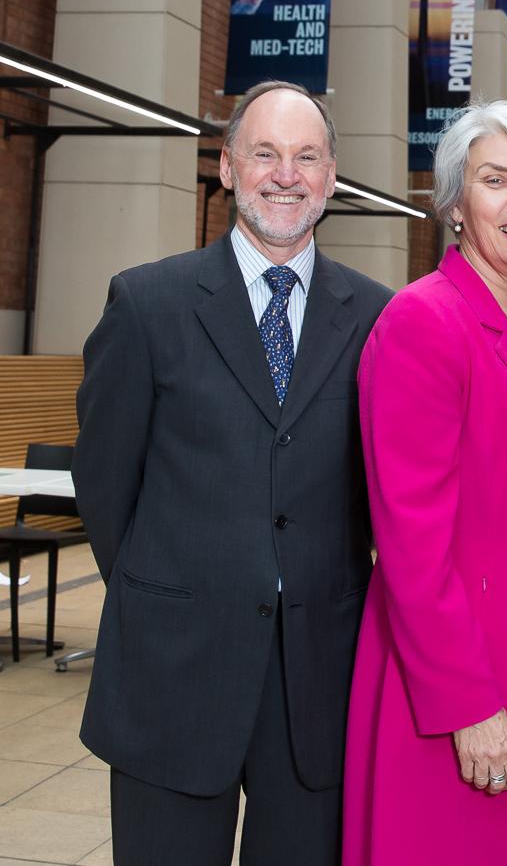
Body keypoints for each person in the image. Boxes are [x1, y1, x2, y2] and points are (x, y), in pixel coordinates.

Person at [72, 81, 391, 866]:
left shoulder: (382, 318)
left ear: (332, 176)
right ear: (225, 166)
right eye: (266, 154)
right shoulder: (148, 304)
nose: (287, 175)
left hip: (319, 683)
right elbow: (108, 486)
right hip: (174, 670)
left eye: (307, 157)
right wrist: (174, 592)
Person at [343, 100, 507, 866]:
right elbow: (411, 545)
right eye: (496, 180)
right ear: (455, 203)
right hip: (459, 684)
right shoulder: (424, 321)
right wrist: (470, 705)